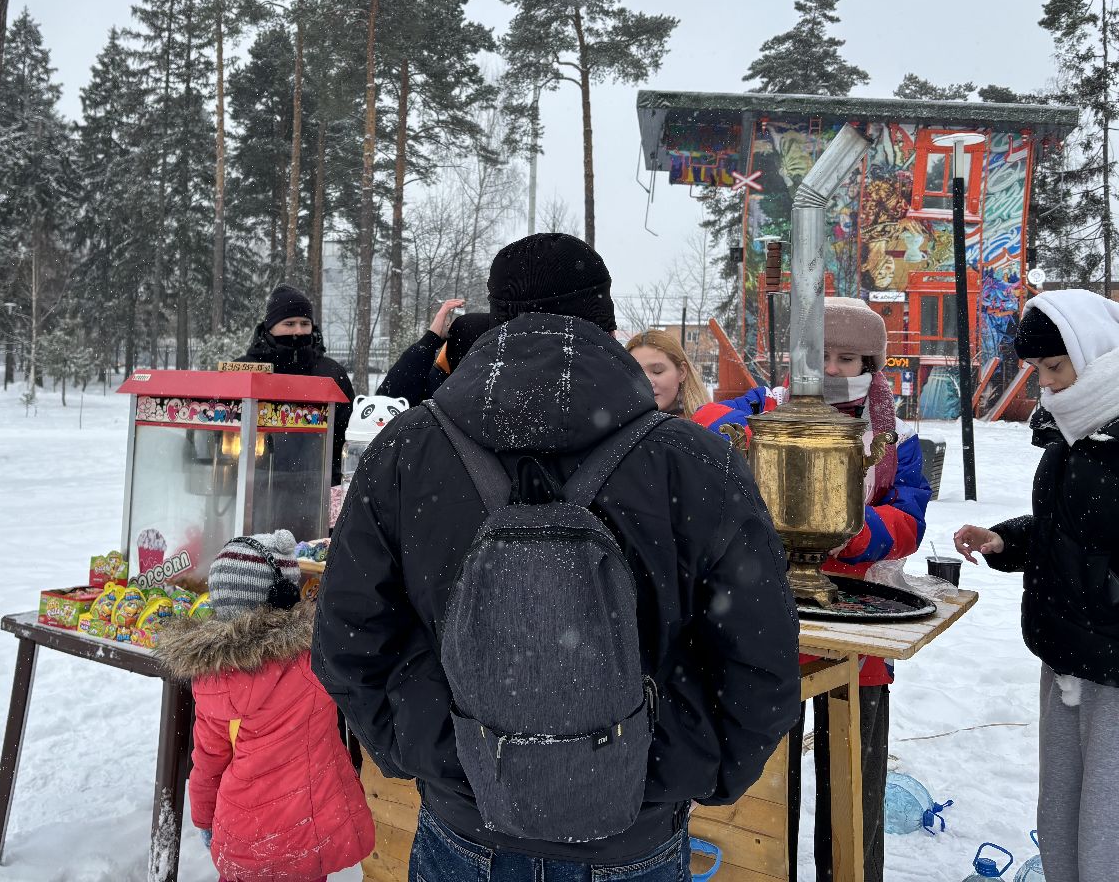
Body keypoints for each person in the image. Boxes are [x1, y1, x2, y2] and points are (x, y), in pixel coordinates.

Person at [314, 232, 799, 879]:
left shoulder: (408, 452)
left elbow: (348, 641)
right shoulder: (691, 460)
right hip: (632, 838)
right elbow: (761, 660)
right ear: (606, 324)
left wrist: (440, 754)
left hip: (464, 829)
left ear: (497, 318)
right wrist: (677, 769)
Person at [695, 296, 930, 882]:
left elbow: (909, 521)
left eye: (846, 358)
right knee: (766, 787)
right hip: (768, 621)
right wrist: (749, 434)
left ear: (871, 365)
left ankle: (850, 872)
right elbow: (704, 428)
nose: (830, 370)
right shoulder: (764, 408)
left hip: (856, 623)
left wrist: (843, 527)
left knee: (852, 779)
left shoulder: (893, 438)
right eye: (817, 356)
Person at [953, 291, 1119, 882]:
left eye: (1056, 367)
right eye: (1040, 371)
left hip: (1114, 671)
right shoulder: (1072, 434)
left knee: (1108, 826)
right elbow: (1068, 532)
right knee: (1061, 814)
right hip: (1065, 654)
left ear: (1095, 354)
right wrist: (1005, 541)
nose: (1047, 384)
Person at [155, 530, 374, 882]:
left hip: (243, 834)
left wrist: (204, 818)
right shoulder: (314, 662)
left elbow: (208, 760)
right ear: (285, 597)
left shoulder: (211, 679)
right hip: (309, 830)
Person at [239, 285, 353, 486]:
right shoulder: (245, 371)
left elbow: (346, 435)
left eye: (304, 323)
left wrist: (332, 479)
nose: (298, 331)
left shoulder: (331, 373)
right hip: (254, 486)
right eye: (289, 324)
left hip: (317, 489)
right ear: (270, 327)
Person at [377, 298, 496, 408]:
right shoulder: (500, 392)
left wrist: (430, 340)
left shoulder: (441, 393)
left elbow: (384, 407)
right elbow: (384, 406)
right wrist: (429, 341)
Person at [625, 328, 711, 418]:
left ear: (682, 372)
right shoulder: (616, 427)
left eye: (657, 371)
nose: (646, 383)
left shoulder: (710, 425)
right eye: (635, 373)